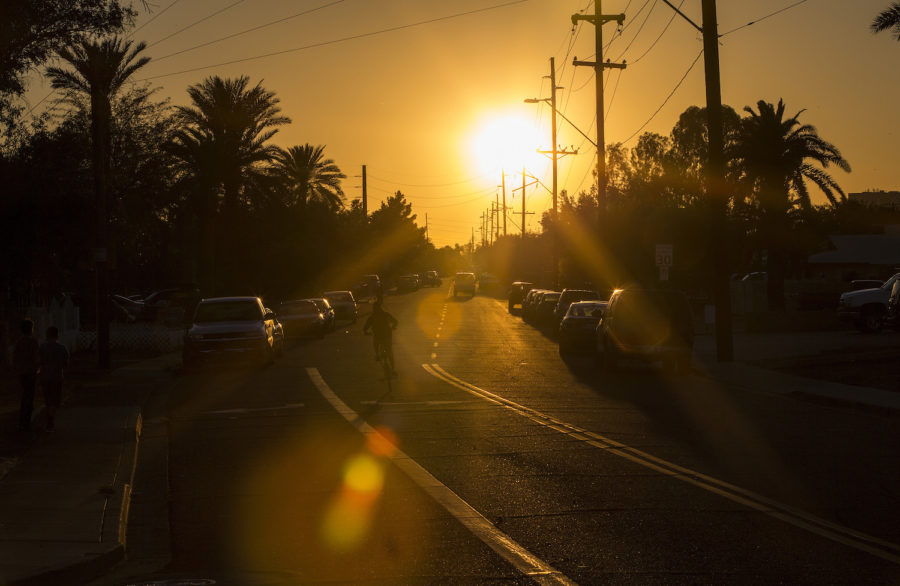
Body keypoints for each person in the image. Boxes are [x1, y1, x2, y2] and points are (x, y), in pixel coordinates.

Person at [12, 319, 40, 432]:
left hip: (22, 372)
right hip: (31, 372)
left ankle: (22, 421)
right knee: (29, 396)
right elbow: (36, 357)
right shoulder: (33, 341)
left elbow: (15, 357)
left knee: (25, 395)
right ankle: (26, 422)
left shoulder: (19, 342)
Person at [39, 326, 69, 432]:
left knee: (48, 400)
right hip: (57, 377)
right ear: (57, 335)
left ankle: (49, 419)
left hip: (45, 377)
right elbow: (66, 363)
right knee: (55, 400)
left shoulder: (42, 348)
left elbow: (39, 362)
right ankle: (50, 420)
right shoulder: (62, 348)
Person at [363, 301, 397, 372]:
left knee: (375, 343)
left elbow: (366, 326)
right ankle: (393, 369)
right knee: (390, 352)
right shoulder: (386, 314)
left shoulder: (372, 317)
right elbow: (395, 321)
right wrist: (393, 327)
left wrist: (365, 332)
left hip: (378, 336)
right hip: (387, 335)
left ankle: (377, 354)